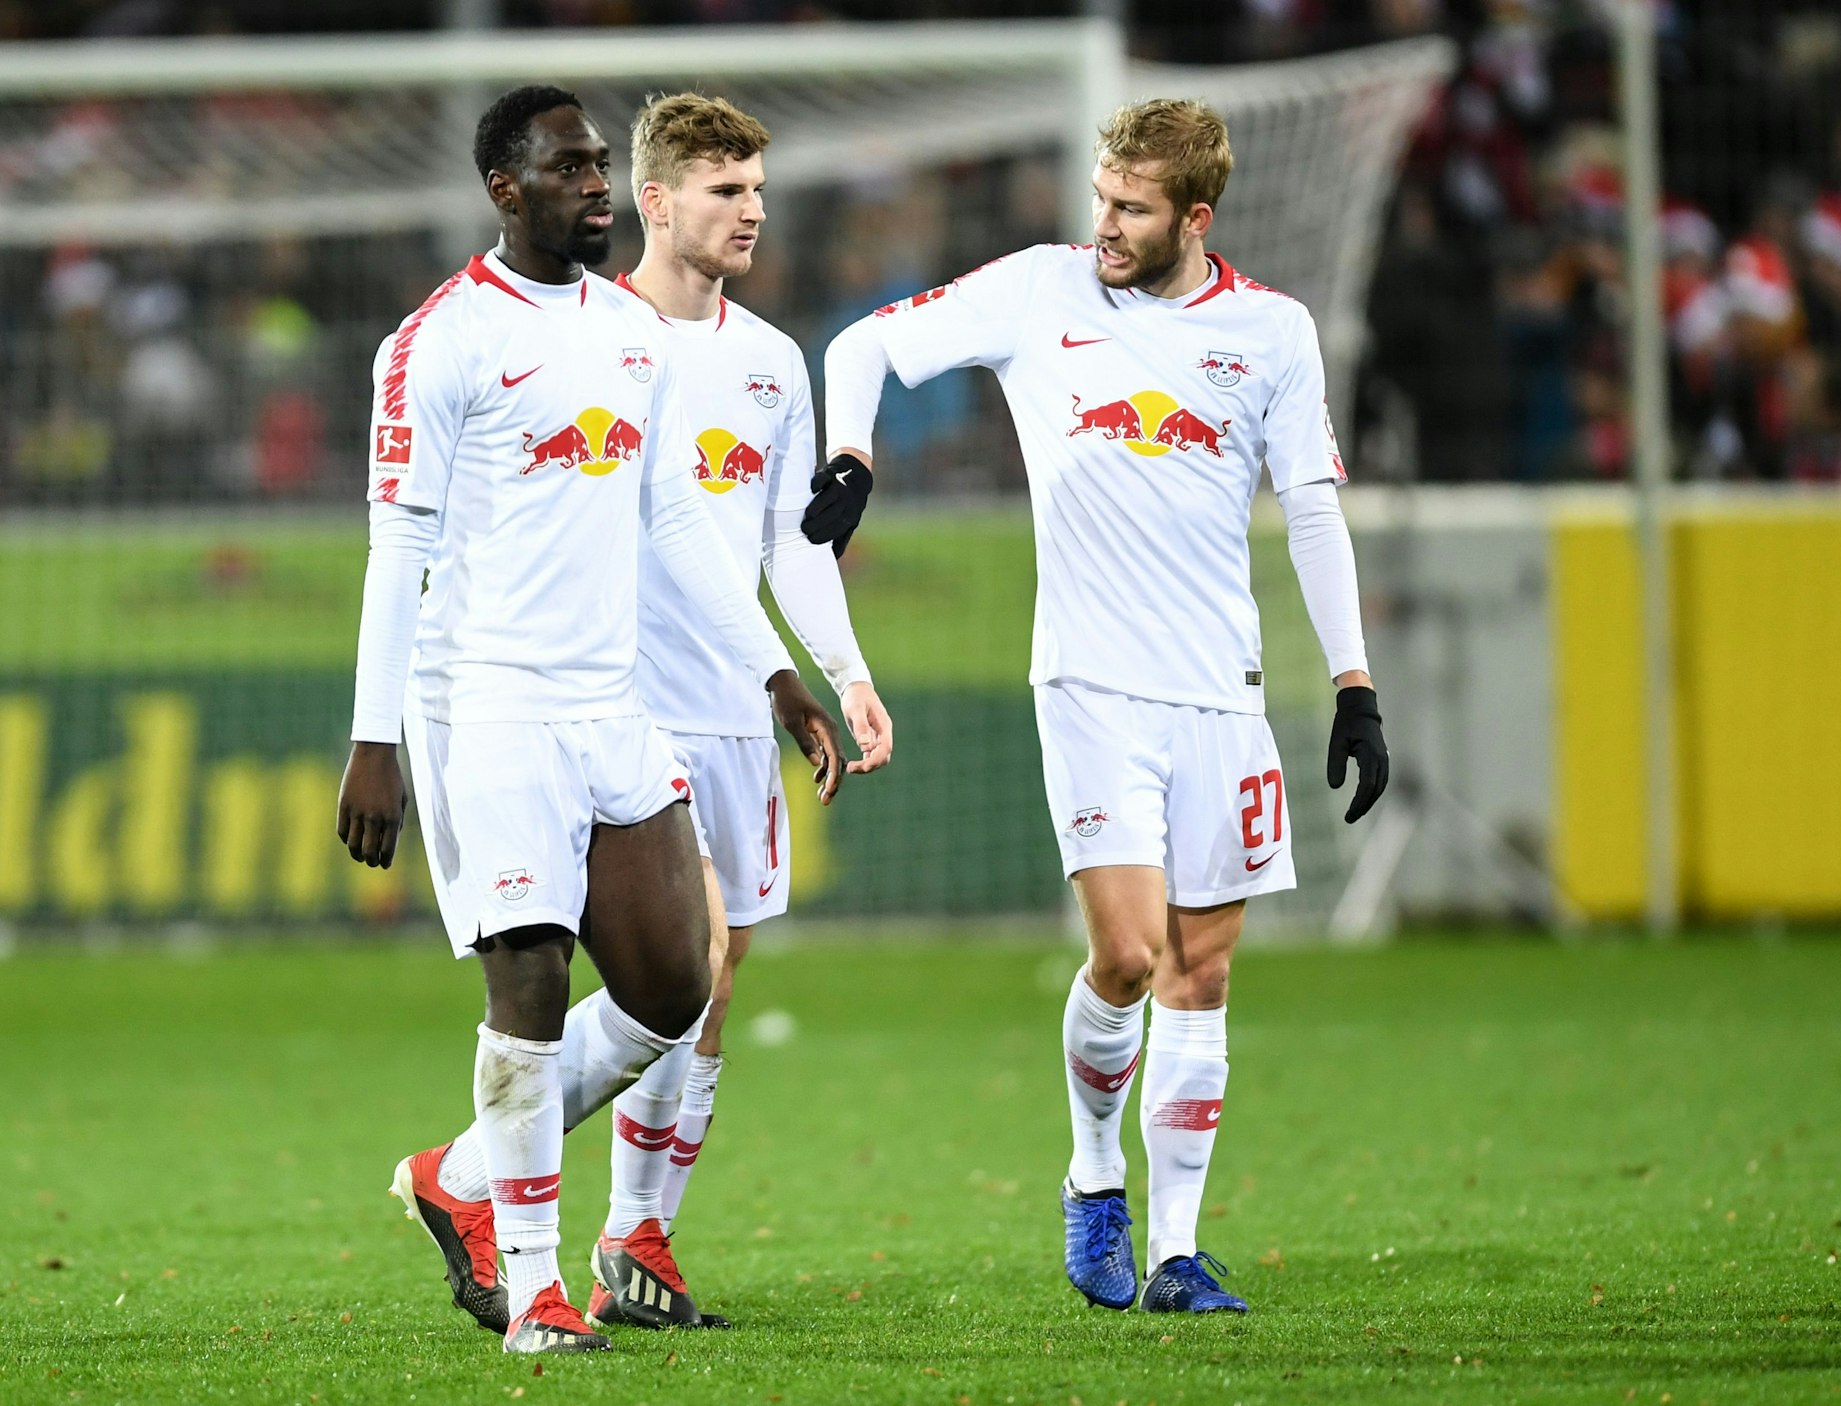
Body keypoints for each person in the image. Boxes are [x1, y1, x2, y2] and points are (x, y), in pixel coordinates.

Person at [808, 98, 1388, 1315]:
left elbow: (1315, 508)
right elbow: (861, 344)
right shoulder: (1038, 289)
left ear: (1195, 215)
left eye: (1131, 209)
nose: (1105, 227)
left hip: (1217, 691)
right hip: (1085, 680)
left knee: (1205, 967)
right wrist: (852, 456)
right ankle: (1090, 1178)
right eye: (1100, 200)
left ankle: (1175, 1250)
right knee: (1125, 954)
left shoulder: (1271, 332)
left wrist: (1351, 683)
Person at [335, 84, 843, 1355]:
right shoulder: (439, 340)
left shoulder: (628, 331)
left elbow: (673, 514)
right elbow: (395, 543)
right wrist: (375, 738)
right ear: (507, 190)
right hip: (490, 706)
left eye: (602, 165)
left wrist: (771, 671)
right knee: (530, 978)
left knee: (678, 978)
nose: (598, 186)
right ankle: (533, 1288)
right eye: (570, 169)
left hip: (611, 705)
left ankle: (460, 1175)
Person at [578, 92, 894, 1331]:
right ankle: (506, 1190)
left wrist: (845, 670)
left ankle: (632, 1233)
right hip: (612, 703)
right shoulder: (586, 337)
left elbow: (788, 541)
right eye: (723, 188)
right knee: (670, 959)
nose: (751, 208)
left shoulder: (770, 361)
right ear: (655, 201)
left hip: (733, 704)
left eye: (757, 188)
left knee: (712, 978)